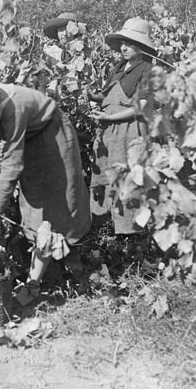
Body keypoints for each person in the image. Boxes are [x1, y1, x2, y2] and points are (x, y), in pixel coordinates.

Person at [0, 73, 91, 305]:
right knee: (33, 204)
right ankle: (42, 273)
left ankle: (60, 274)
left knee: (58, 205)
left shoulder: (14, 107)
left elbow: (11, 167)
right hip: (29, 142)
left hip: (54, 137)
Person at [87, 17, 156, 238]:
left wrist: (110, 118)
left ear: (142, 46)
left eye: (130, 44)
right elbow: (108, 95)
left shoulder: (148, 70)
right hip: (109, 130)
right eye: (122, 44)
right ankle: (108, 230)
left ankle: (133, 237)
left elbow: (141, 106)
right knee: (106, 174)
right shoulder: (118, 67)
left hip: (131, 131)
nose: (124, 48)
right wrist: (92, 95)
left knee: (127, 179)